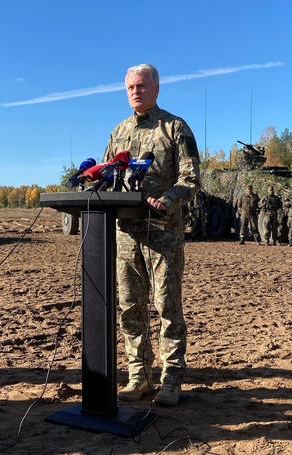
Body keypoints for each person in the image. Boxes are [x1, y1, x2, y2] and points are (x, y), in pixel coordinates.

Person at [103, 64, 201, 407]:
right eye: (130, 86)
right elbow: (106, 178)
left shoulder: (174, 128)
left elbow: (190, 178)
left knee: (167, 308)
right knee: (130, 307)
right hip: (126, 234)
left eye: (141, 85)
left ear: (156, 88)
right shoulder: (118, 131)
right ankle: (138, 378)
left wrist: (168, 199)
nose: (135, 91)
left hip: (163, 235)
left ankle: (171, 380)